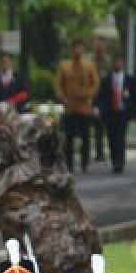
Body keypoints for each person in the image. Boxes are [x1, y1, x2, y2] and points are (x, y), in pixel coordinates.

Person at [53, 38, 100, 174]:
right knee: (69, 136)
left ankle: (85, 162)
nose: (78, 51)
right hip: (70, 106)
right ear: (72, 49)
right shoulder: (64, 66)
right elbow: (58, 84)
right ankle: (69, 163)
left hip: (84, 106)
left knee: (85, 136)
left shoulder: (89, 66)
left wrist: (87, 93)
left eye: (81, 48)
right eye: (76, 48)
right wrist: (63, 98)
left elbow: (95, 84)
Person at [96, 54, 136, 175]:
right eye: (116, 62)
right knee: (112, 137)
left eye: (120, 62)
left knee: (120, 137)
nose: (118, 64)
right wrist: (99, 109)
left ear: (123, 64)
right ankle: (114, 159)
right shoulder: (107, 79)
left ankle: (120, 162)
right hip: (110, 112)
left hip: (123, 112)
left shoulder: (129, 79)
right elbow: (101, 96)